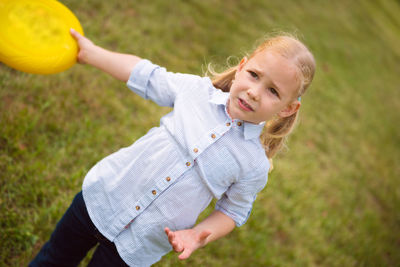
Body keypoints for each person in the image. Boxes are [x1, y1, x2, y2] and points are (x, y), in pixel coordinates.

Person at [30, 28, 315, 267]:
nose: (254, 91)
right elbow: (146, 75)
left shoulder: (254, 164)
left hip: (140, 244)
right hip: (103, 199)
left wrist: (198, 234)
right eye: (254, 75)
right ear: (241, 67)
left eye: (273, 91)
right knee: (54, 259)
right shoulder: (196, 93)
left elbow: (233, 211)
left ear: (288, 108)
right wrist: (91, 53)